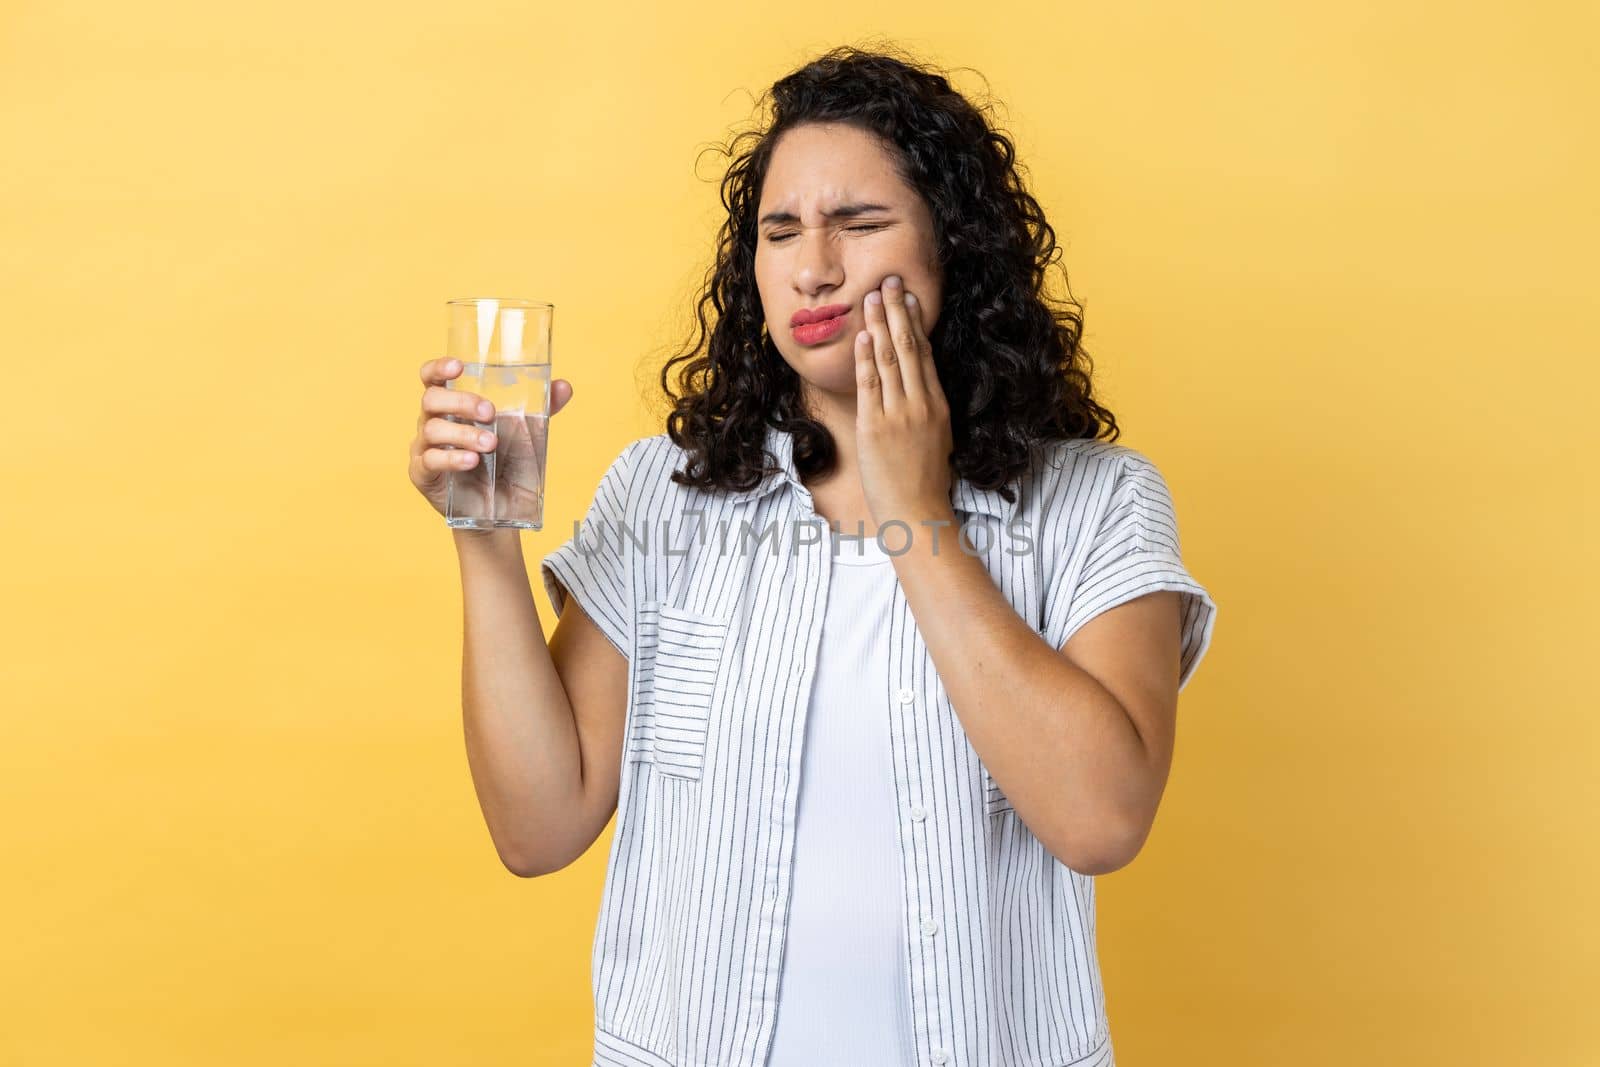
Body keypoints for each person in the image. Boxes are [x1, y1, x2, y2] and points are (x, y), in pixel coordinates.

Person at [409, 44, 1217, 1067]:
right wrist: (483, 534)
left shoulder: (1095, 504)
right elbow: (538, 825)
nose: (814, 265)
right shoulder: (668, 496)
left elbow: (1100, 819)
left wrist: (915, 512)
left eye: (861, 222)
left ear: (952, 251)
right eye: (780, 229)